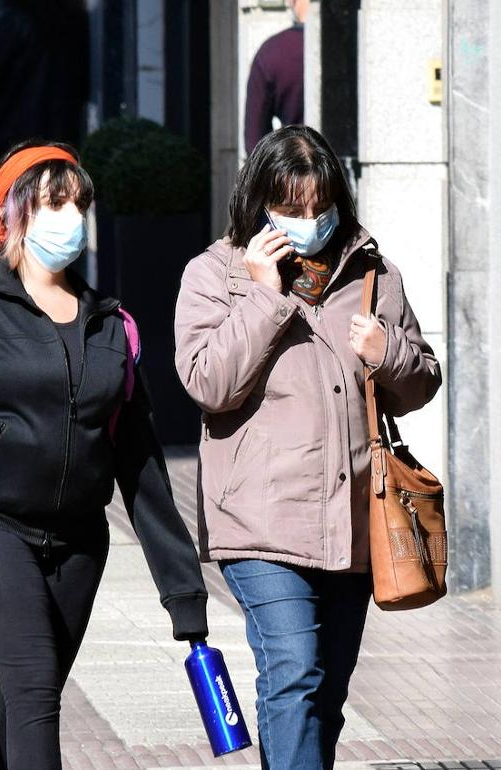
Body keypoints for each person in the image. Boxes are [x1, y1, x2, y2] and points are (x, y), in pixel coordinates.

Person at [0, 141, 209, 770]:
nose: (70, 218)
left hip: (78, 543)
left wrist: (184, 592)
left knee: (25, 700)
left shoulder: (112, 326)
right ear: (10, 218)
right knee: (35, 682)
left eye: (78, 204)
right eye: (52, 203)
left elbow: (140, 466)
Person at [174, 125, 441, 770]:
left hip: (353, 524)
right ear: (259, 202)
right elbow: (207, 382)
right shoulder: (216, 274)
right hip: (261, 523)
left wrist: (390, 354)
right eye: (291, 209)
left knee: (324, 691)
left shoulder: (373, 273)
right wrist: (264, 296)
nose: (308, 222)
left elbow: (422, 378)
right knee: (292, 669)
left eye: (319, 207)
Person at [0, 0, 89, 202]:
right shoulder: (74, 17)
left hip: (8, 143)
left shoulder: (13, 18)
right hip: (59, 141)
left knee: (4, 218)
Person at [244, 0, 306, 153]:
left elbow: (255, 143)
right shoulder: (353, 43)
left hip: (297, 166)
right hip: (345, 169)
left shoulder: (272, 51)